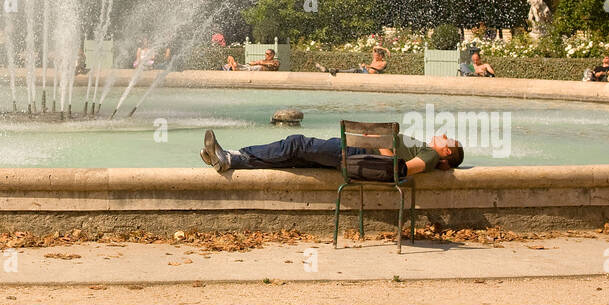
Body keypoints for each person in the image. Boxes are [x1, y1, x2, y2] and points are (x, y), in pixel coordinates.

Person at [199, 128, 464, 175]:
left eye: (446, 140)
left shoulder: (429, 155)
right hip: (357, 150)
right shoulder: (429, 151)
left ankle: (231, 155)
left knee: (296, 144)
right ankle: (230, 159)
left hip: (357, 153)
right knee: (294, 158)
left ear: (446, 153)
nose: (441, 136)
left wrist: (380, 142)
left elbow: (399, 168)